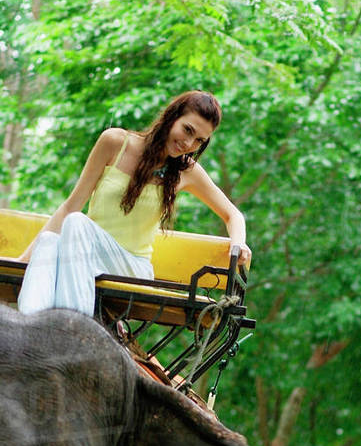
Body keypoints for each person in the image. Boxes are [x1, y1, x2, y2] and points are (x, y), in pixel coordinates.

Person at [13, 90, 251, 317]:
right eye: (187, 130)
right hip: (84, 253)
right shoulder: (115, 142)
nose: (189, 143)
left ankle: (75, 326)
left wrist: (239, 243)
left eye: (199, 140)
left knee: (76, 223)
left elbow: (233, 215)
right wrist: (16, 263)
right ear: (171, 117)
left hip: (131, 268)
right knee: (49, 240)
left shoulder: (186, 171)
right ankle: (31, 327)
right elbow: (69, 206)